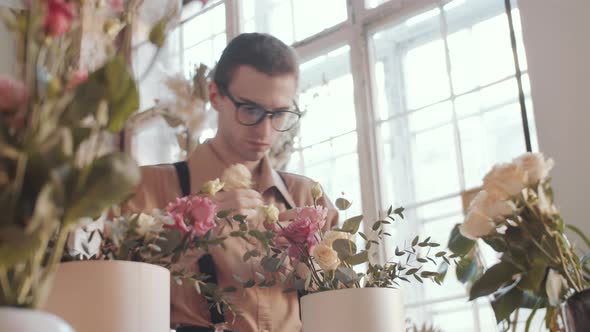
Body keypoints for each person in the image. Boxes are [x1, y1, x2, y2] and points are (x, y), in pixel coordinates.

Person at [127, 33, 338, 332]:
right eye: (250, 109)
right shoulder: (147, 189)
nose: (265, 131)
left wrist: (310, 264)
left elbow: (345, 310)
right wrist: (190, 234)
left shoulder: (309, 198)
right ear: (215, 96)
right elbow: (116, 303)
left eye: (278, 114)